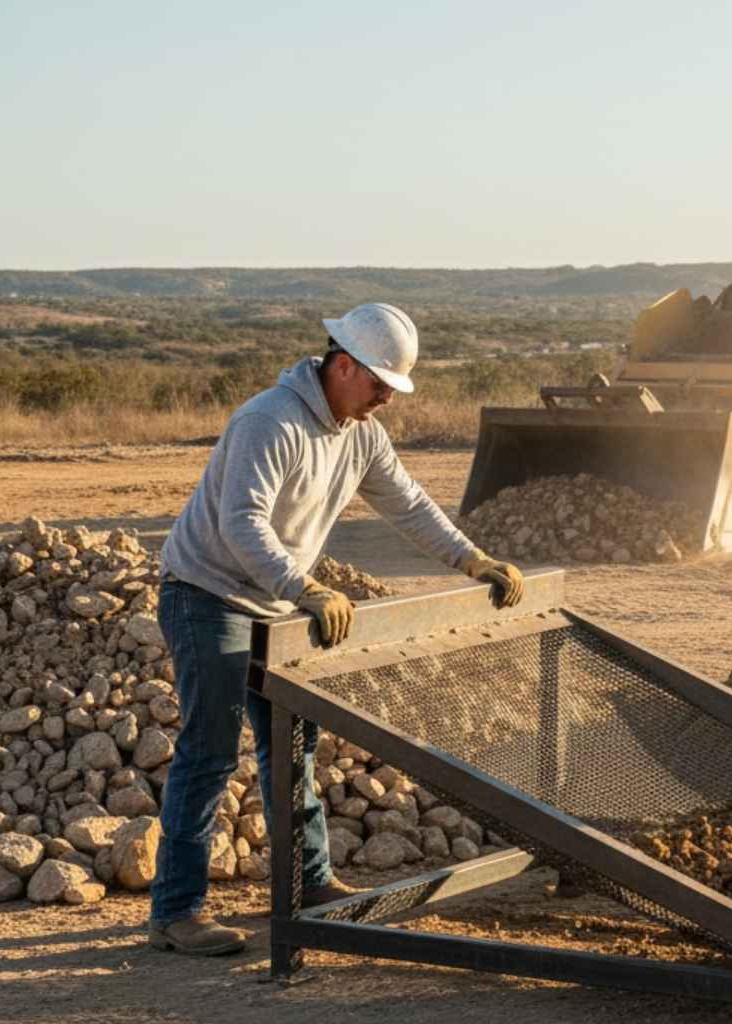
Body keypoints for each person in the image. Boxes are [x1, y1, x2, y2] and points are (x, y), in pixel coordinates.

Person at [148, 302, 524, 956]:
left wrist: (472, 558)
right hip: (208, 595)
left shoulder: (359, 433)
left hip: (276, 602)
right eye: (380, 383)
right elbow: (241, 524)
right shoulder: (270, 420)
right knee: (210, 754)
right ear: (343, 365)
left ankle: (308, 884)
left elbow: (408, 504)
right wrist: (306, 588)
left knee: (292, 745)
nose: (387, 398)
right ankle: (175, 913)